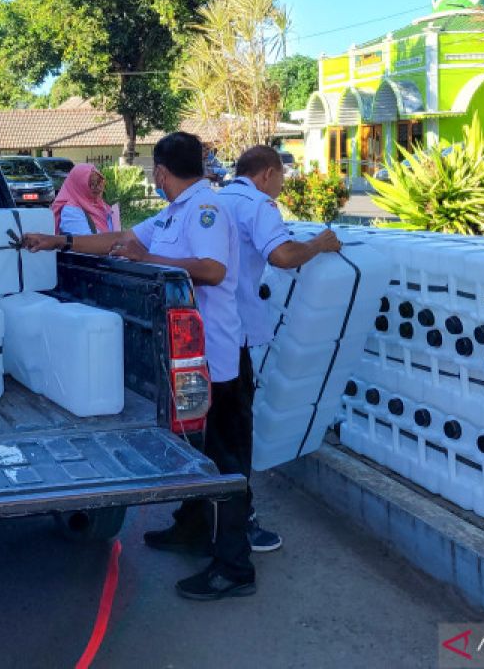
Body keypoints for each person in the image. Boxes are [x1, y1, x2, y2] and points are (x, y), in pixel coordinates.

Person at [21, 131, 254, 601]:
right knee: (201, 448)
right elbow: (120, 238)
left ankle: (234, 566)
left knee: (228, 462)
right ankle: (191, 528)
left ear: (161, 171)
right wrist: (59, 241)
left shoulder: (206, 210)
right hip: (193, 355)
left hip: (221, 357)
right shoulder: (173, 212)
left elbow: (213, 269)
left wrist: (149, 258)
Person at [148, 145, 342, 560]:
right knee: (230, 441)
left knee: (205, 441)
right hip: (230, 338)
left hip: (203, 339)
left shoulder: (217, 199)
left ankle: (199, 523)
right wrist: (319, 244)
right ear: (269, 173)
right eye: (282, 178)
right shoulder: (256, 205)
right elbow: (283, 255)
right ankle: (238, 527)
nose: (282, 185)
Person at [51, 163, 115, 235]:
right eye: (91, 184)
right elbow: (85, 242)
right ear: (79, 186)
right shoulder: (70, 211)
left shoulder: (100, 205)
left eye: (99, 182)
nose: (98, 188)